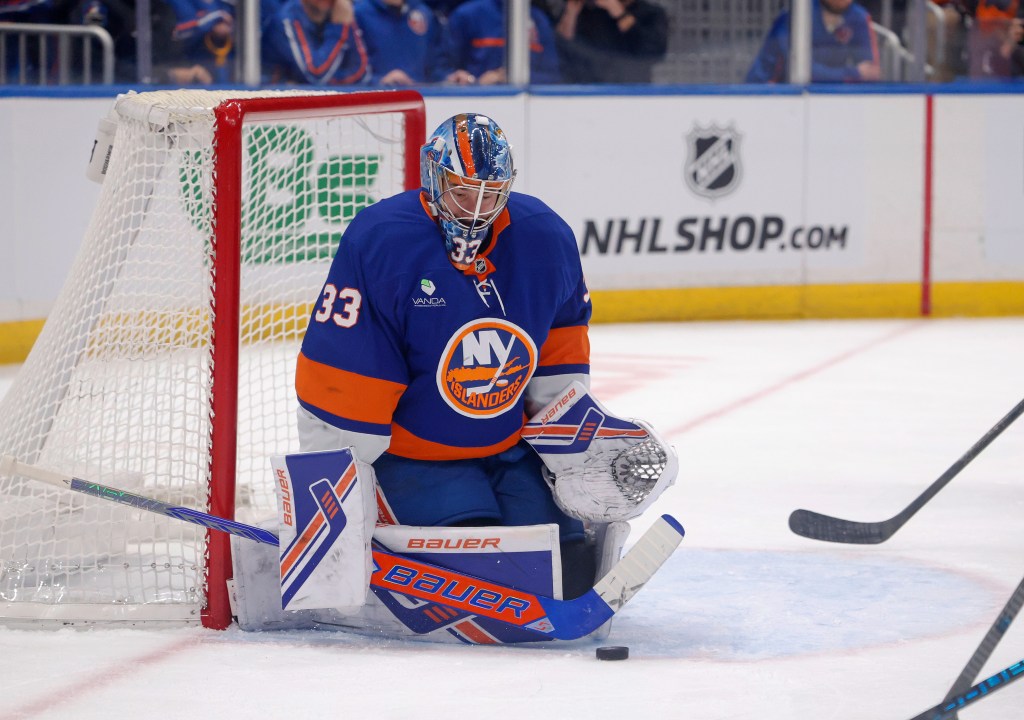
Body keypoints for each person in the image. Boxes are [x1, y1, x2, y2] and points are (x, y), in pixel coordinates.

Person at [294, 113, 597, 597]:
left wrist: (575, 453)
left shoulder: (546, 238)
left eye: (490, 195)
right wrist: (334, 509)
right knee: (482, 561)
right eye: (462, 192)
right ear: (434, 180)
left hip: (509, 449)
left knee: (571, 561)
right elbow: (343, 385)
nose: (476, 211)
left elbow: (560, 364)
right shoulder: (383, 240)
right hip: (413, 459)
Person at [746, 0, 881, 83]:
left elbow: (871, 71)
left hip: (828, 93)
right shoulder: (796, 15)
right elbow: (802, 71)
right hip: (769, 91)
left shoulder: (859, 17)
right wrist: (853, 73)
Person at [439, 0, 561, 84]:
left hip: (529, 104)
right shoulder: (467, 15)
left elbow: (554, 76)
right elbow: (441, 69)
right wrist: (474, 81)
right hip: (474, 104)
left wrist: (513, 77)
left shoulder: (539, 20)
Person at [555, 0, 669, 83]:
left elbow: (654, 50)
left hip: (634, 90)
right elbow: (563, 45)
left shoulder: (652, 14)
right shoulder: (591, 13)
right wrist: (572, 11)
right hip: (591, 88)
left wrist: (620, 13)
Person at [262, 0, 369, 85]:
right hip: (276, 99)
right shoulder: (287, 19)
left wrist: (342, 24)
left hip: (315, 98)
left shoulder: (339, 12)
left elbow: (361, 73)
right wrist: (339, 27)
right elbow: (315, 76)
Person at [354, 0, 445, 84]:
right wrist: (378, 80)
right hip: (376, 93)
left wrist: (445, 77)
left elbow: (435, 63)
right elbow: (350, 69)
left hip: (422, 93)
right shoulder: (359, 14)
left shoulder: (425, 13)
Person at [159, 0, 236, 84]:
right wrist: (215, 17)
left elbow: (238, 27)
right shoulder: (178, 3)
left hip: (227, 66)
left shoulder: (225, 5)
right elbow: (176, 32)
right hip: (188, 65)